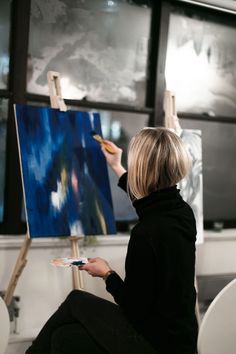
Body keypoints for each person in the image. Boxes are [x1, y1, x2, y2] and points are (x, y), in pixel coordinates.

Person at [26, 127, 198, 354]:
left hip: (156, 344)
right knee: (64, 338)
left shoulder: (146, 233)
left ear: (142, 170)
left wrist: (107, 274)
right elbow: (147, 200)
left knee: (77, 300)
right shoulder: (181, 212)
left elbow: (134, 310)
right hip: (181, 340)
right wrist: (117, 165)